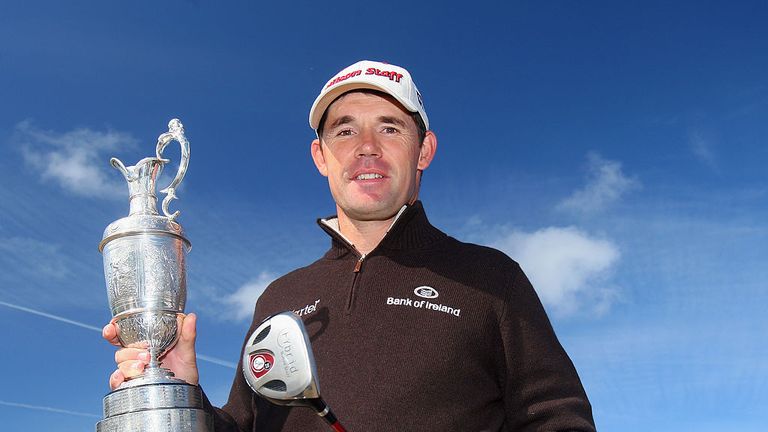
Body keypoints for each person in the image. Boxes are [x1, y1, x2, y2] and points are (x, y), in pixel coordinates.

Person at [105, 60, 597, 431]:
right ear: (320, 156)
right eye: (344, 130)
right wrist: (180, 393)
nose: (367, 146)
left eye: (389, 127)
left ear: (423, 150)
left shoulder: (491, 279)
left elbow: (557, 419)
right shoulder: (278, 299)